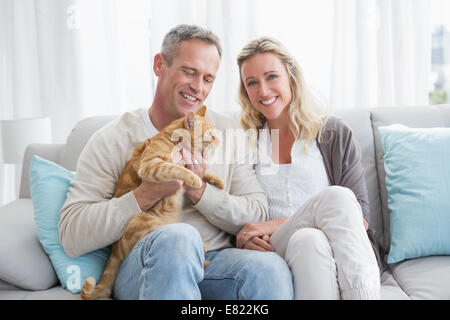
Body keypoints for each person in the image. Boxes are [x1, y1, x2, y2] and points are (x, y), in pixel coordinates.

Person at [58, 25, 293, 300]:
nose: (198, 87)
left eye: (208, 79)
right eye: (190, 72)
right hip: (145, 261)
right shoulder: (113, 138)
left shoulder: (226, 132)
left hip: (216, 261)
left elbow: (257, 211)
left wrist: (198, 192)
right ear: (159, 65)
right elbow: (72, 234)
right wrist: (147, 193)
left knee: (270, 268)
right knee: (179, 238)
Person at [235, 37, 381, 300]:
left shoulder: (333, 133)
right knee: (332, 201)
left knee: (309, 237)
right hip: (275, 248)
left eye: (271, 77)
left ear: (291, 77)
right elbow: (236, 211)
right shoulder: (246, 140)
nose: (264, 91)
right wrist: (243, 235)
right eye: (252, 83)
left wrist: (273, 224)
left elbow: (359, 219)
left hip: (329, 247)